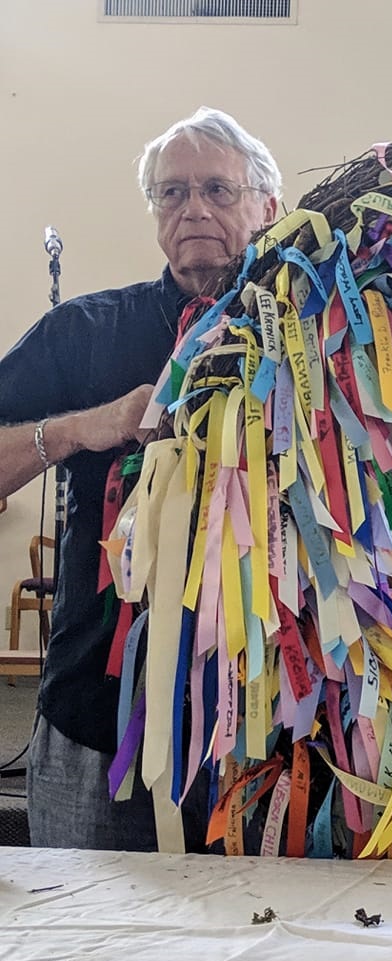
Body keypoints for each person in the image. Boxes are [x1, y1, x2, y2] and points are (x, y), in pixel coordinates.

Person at [0, 107, 280, 851]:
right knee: (87, 938)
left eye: (219, 190)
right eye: (172, 192)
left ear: (267, 207)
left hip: (275, 725)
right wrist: (76, 429)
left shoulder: (326, 343)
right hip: (101, 716)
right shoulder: (84, 333)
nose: (193, 208)